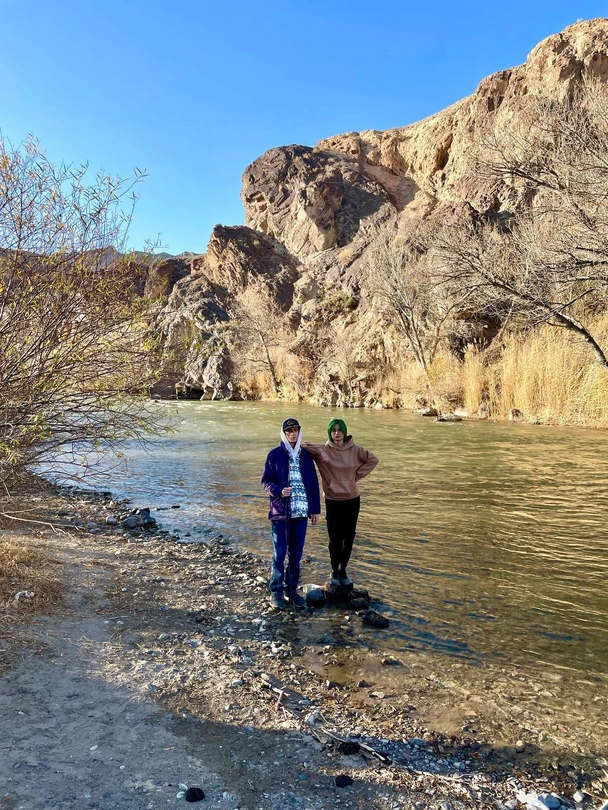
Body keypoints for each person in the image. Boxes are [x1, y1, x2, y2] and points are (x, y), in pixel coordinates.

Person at [302, 418, 378, 586]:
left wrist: (356, 477)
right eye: (333, 430)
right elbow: (303, 445)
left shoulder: (355, 449)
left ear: (344, 432)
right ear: (330, 433)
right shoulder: (324, 449)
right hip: (332, 499)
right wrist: (321, 453)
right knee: (334, 537)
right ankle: (334, 570)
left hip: (352, 499)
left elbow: (373, 459)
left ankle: (343, 568)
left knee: (349, 536)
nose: (337, 433)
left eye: (339, 430)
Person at [261, 417, 321, 610]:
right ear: (284, 433)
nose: (292, 434)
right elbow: (265, 482)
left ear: (299, 432)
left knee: (295, 555)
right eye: (289, 431)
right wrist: (279, 490)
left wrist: (315, 510)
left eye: (295, 430)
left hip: (301, 512)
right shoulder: (275, 454)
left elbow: (313, 484)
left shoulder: (305, 456)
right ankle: (276, 591)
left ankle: (292, 590)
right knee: (279, 554)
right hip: (280, 513)